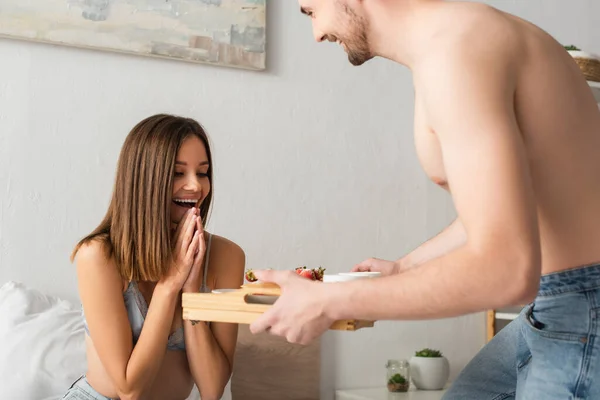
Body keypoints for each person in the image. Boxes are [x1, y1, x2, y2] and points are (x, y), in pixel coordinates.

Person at [249, 1, 600, 398]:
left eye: (311, 11)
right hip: (562, 303)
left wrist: (331, 301)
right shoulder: (454, 41)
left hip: (582, 309)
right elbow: (507, 206)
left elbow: (508, 270)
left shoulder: (457, 49)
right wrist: (404, 267)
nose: (316, 34)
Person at [63, 114, 245, 400]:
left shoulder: (227, 257)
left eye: (202, 172)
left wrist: (191, 289)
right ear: (143, 179)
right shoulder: (99, 256)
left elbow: (212, 389)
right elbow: (129, 389)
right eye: (177, 173)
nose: (196, 186)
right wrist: (171, 283)